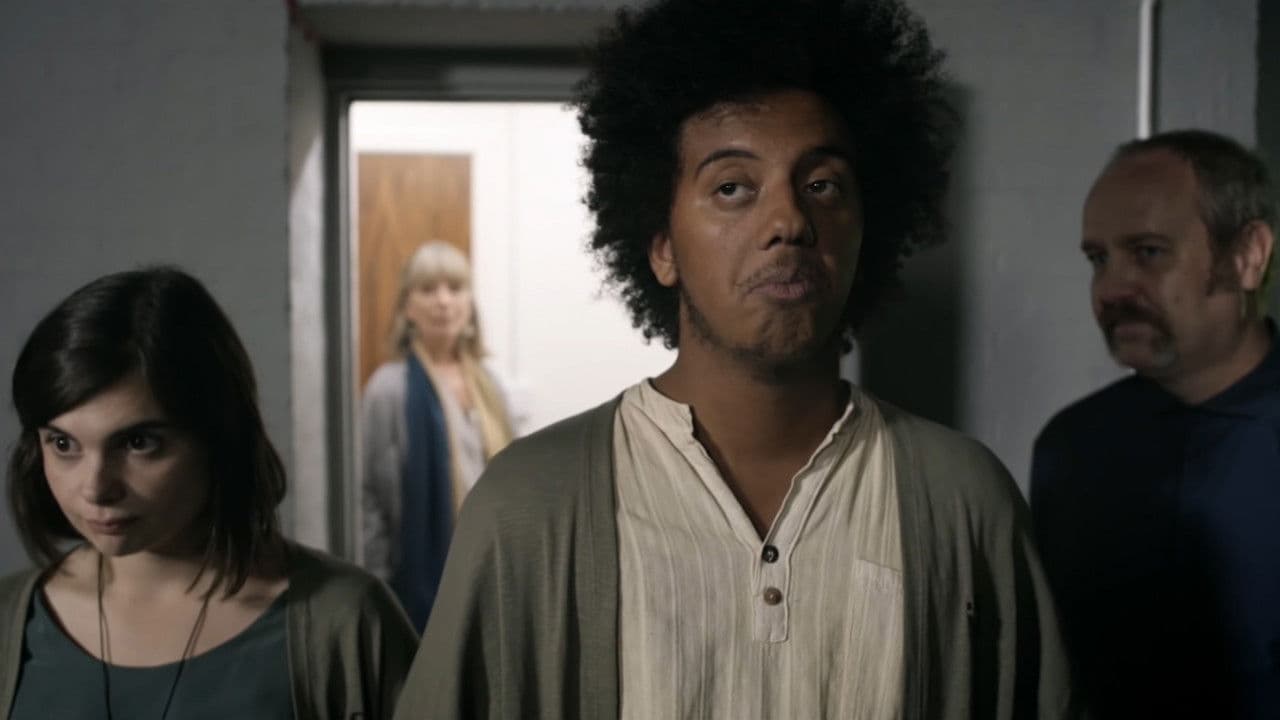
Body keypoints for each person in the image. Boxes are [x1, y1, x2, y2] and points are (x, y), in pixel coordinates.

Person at [393, 0, 1075, 718]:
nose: (789, 221)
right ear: (662, 247)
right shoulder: (528, 507)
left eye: (822, 185)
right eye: (732, 188)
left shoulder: (965, 501)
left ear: (865, 234)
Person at [0, 267, 418, 720]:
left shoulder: (346, 623)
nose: (97, 488)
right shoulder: (13, 622)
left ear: (218, 435)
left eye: (139, 443)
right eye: (63, 444)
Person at [1031, 130, 1279, 719]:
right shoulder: (1073, 448)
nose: (1112, 289)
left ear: (1247, 256)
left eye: (1148, 252)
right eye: (1099, 259)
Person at [360, 240, 518, 632]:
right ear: (407, 307)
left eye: (455, 288)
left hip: (493, 575)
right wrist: (378, 586)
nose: (443, 301)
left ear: (469, 303)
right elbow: (368, 496)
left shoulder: (490, 385)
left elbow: (518, 477)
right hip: (418, 582)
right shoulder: (388, 388)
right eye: (428, 289)